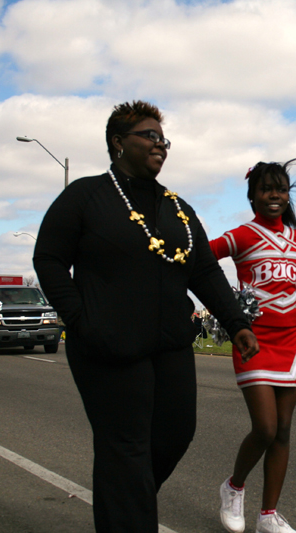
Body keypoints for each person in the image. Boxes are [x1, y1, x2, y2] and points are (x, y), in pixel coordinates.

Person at [33, 100, 258, 533]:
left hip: (170, 343)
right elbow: (49, 259)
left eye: (164, 139)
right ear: (118, 143)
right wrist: (81, 319)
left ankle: (123, 505)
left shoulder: (177, 208)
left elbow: (204, 270)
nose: (160, 145)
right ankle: (128, 515)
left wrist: (236, 322)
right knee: (126, 447)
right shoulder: (86, 195)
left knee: (175, 434)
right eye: (149, 136)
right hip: (108, 344)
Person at [210, 160, 296, 533]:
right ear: (253, 195)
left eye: (281, 189)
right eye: (266, 189)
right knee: (265, 427)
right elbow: (201, 261)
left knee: (284, 430)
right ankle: (233, 487)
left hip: (289, 342)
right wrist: (230, 307)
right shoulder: (241, 236)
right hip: (253, 342)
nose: (274, 196)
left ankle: (268, 517)